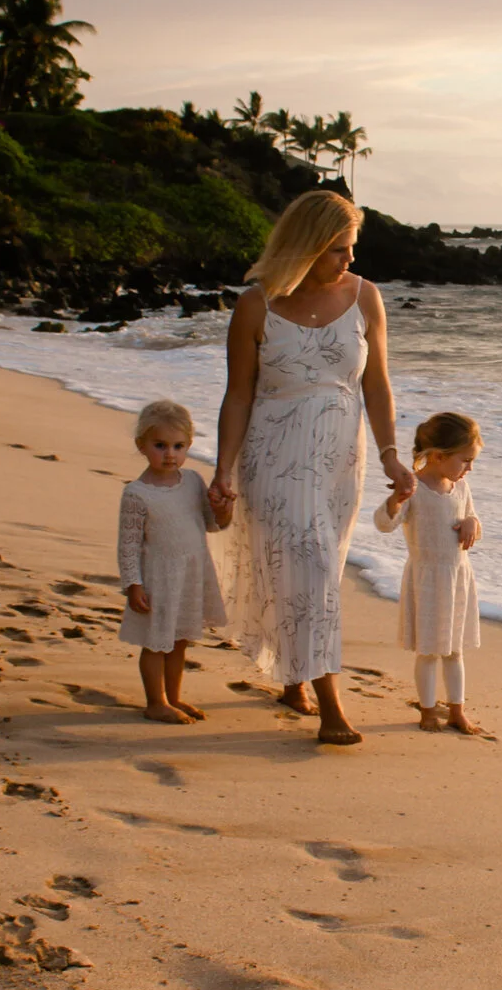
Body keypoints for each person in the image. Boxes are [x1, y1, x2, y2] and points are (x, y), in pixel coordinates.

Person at [210, 190, 414, 746]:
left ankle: (294, 675)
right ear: (305, 247)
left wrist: (392, 453)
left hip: (342, 463)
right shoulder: (256, 306)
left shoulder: (366, 297)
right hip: (274, 458)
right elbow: (238, 397)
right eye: (337, 250)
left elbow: (376, 383)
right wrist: (223, 470)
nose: (348, 260)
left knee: (309, 570)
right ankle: (330, 704)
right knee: (313, 568)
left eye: (351, 248)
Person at [116, 399, 228, 725]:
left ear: (189, 446)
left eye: (178, 446)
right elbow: (128, 545)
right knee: (156, 642)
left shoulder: (193, 481)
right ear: (142, 446)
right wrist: (133, 585)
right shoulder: (137, 494)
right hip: (157, 580)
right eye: (160, 445)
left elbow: (212, 523)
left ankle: (173, 697)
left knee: (178, 641)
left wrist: (225, 507)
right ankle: (155, 702)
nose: (170, 454)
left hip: (190, 576)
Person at [374, 411, 484, 734]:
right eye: (465, 460)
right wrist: (395, 500)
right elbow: (384, 524)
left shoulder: (460, 488)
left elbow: (474, 521)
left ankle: (457, 710)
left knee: (454, 650)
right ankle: (426, 710)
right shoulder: (414, 489)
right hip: (427, 580)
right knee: (428, 651)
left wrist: (472, 523)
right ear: (438, 456)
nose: (469, 469)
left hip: (458, 578)